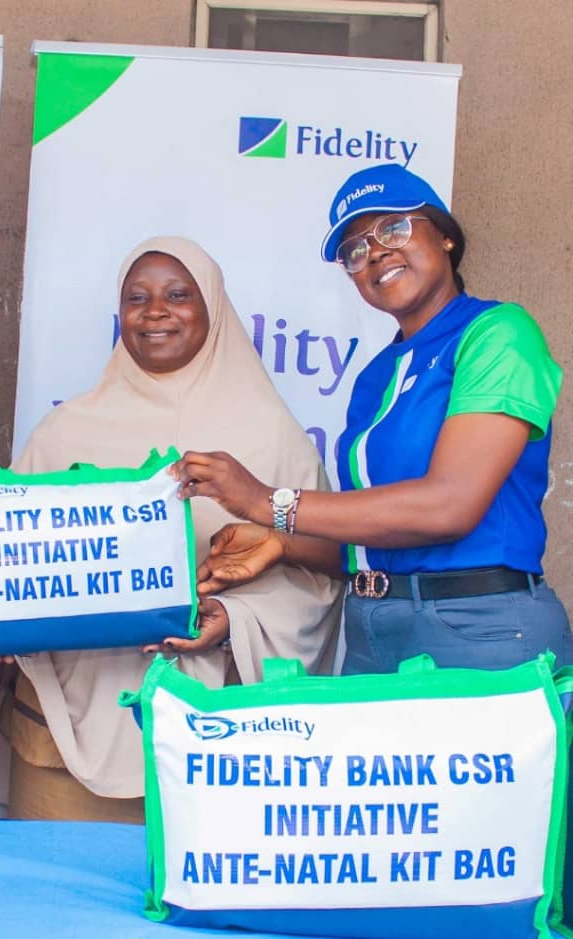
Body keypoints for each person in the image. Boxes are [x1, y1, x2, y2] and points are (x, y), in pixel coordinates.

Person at [0, 236, 343, 822]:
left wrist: (235, 620)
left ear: (213, 308)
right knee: (60, 877)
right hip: (62, 725)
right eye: (137, 298)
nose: (155, 312)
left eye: (178, 295)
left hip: (218, 734)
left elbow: (321, 577)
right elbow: (2, 558)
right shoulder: (64, 431)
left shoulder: (272, 434)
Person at [173, 163, 572, 675]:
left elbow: (449, 506)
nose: (376, 252)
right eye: (355, 250)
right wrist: (283, 543)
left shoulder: (497, 333)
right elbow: (378, 540)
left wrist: (266, 503)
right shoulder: (376, 375)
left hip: (478, 627)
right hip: (371, 629)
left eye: (394, 228)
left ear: (445, 237)